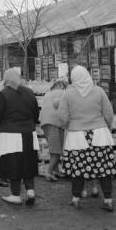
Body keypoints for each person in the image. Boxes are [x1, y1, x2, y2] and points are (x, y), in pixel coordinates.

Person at [58, 65, 115, 211]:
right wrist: (106, 128)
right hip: (100, 135)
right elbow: (109, 113)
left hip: (77, 136)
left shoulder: (68, 94)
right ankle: (108, 200)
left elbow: (62, 117)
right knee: (104, 170)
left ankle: (76, 198)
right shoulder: (99, 91)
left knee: (78, 169)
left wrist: (67, 126)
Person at [0, 68, 40, 205]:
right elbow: (36, 114)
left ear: (6, 79)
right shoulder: (29, 92)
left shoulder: (4, 94)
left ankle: (15, 195)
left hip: (10, 135)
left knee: (14, 165)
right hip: (29, 134)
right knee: (28, 163)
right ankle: (30, 191)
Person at [39, 80, 67, 182]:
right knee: (56, 151)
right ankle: (49, 172)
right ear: (60, 85)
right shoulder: (62, 92)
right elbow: (59, 106)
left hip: (45, 123)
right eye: (64, 85)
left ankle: (56, 171)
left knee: (54, 148)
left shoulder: (47, 94)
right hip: (55, 123)